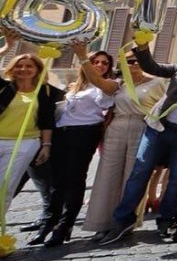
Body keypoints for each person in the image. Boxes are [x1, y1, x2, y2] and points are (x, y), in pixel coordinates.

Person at [97, 36, 177, 245]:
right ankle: (123, 220)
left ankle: (166, 219)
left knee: (176, 180)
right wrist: (143, 46)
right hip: (157, 127)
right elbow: (151, 66)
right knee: (140, 172)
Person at [31, 44, 118, 247]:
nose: (100, 65)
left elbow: (98, 82)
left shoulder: (110, 85)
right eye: (96, 61)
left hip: (85, 133)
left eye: (105, 63)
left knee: (75, 179)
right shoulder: (74, 86)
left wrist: (82, 56)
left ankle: (65, 224)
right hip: (63, 132)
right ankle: (48, 222)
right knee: (57, 181)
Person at [83, 51, 164, 235]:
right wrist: (82, 57)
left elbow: (167, 105)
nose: (134, 64)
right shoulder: (118, 84)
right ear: (122, 65)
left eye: (138, 60)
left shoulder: (158, 82)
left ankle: (125, 220)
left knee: (133, 176)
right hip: (116, 127)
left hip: (142, 126)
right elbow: (97, 81)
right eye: (129, 61)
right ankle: (101, 222)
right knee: (107, 175)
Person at [0, 42, 57, 237]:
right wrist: (7, 48)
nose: (23, 69)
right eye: (19, 65)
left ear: (37, 70)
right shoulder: (4, 87)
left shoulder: (45, 91)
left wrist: (46, 145)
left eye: (29, 66)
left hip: (24, 144)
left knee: (5, 187)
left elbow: (47, 120)